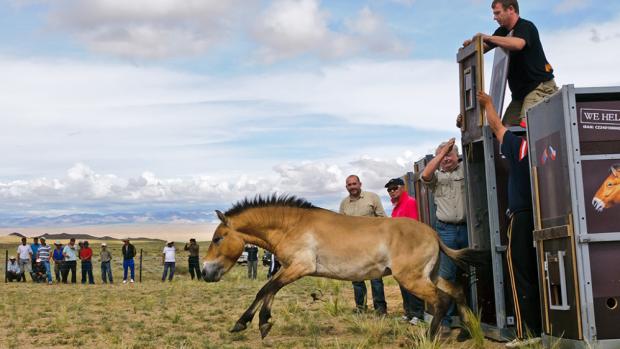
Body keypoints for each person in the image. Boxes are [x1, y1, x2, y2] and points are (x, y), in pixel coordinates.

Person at [478, 90, 541, 348]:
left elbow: (496, 126)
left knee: (520, 275)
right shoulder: (552, 144)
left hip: (523, 216)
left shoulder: (520, 145)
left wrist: (488, 104)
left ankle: (527, 333)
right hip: (546, 215)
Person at [463, 0, 557, 126]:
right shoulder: (501, 32)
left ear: (511, 9)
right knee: (505, 130)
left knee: (527, 126)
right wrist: (471, 47)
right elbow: (483, 48)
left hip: (540, 87)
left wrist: (488, 37)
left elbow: (518, 44)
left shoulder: (526, 26)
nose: (494, 18)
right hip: (520, 95)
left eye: (497, 13)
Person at [421, 139, 469, 332]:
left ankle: (469, 321)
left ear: (457, 155)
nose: (446, 158)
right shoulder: (436, 177)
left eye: (450, 154)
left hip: (468, 229)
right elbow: (425, 174)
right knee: (446, 276)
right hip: (446, 231)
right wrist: (441, 153)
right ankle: (446, 321)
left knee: (469, 274)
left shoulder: (466, 170)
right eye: (442, 155)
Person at [339, 174, 388, 315]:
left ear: (360, 184)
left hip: (373, 245)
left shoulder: (372, 197)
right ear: (346, 187)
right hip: (353, 247)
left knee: (376, 278)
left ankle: (380, 309)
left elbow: (383, 219)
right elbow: (341, 226)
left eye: (354, 184)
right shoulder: (344, 203)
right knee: (357, 278)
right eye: (349, 185)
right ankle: (361, 307)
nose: (352, 187)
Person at [384, 178, 426, 326]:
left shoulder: (410, 203)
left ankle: (418, 314)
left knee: (412, 282)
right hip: (399, 251)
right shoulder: (396, 208)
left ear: (403, 188)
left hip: (409, 250)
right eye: (389, 190)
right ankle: (408, 312)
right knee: (403, 282)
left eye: (394, 188)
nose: (392, 191)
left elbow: (412, 227)